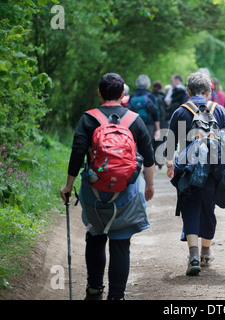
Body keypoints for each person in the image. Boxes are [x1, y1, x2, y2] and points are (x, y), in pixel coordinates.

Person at [60, 73, 156, 300]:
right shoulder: (135, 120)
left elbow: (77, 154)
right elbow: (149, 156)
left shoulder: (88, 119)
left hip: (94, 191)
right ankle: (117, 295)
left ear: (99, 93)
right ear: (123, 95)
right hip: (126, 191)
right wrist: (150, 185)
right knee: (121, 243)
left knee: (95, 235)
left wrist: (68, 186)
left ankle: (94, 291)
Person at [165, 71, 225, 276]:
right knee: (208, 208)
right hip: (213, 168)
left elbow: (170, 142)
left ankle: (193, 255)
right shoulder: (218, 110)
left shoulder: (180, 111)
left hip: (187, 169)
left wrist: (169, 164)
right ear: (210, 90)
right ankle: (206, 251)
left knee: (190, 206)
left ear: (187, 91)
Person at [130, 74, 161, 142]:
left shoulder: (132, 96)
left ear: (137, 84)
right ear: (148, 84)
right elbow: (156, 113)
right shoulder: (151, 96)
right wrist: (158, 129)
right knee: (148, 146)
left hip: (134, 125)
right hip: (149, 125)